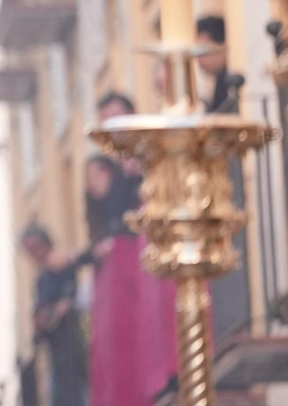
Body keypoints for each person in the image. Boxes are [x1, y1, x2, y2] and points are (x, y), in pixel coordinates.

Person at [83, 156, 175, 406]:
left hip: (131, 286)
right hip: (115, 295)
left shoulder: (131, 194)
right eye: (89, 179)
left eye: (97, 176)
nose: (93, 184)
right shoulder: (102, 218)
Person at [21, 224, 89, 406]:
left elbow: (66, 301)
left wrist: (54, 313)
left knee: (73, 390)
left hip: (70, 340)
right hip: (55, 346)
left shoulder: (62, 266)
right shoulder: (43, 277)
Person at [196, 15, 243, 113]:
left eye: (204, 51)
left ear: (222, 47)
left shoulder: (231, 82)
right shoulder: (219, 80)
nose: (199, 59)